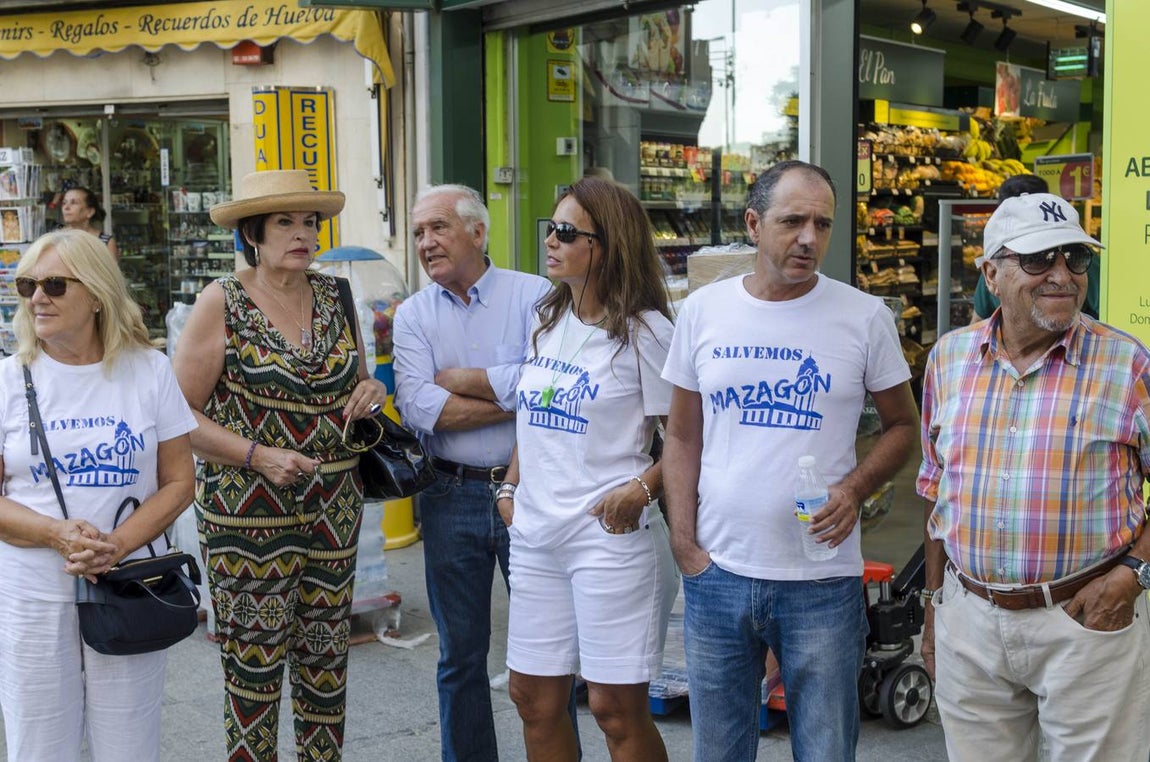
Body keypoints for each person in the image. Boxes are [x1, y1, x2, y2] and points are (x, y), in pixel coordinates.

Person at [661, 160, 919, 762]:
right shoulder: (703, 312)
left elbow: (904, 426)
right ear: (754, 224)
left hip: (822, 582)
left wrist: (853, 489)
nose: (808, 238)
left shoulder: (864, 317)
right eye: (792, 221)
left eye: (822, 224)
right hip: (718, 573)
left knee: (825, 749)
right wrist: (683, 542)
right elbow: (682, 435)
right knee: (718, 750)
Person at [918, 191, 1150, 761]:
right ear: (991, 274)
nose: (1062, 275)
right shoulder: (948, 360)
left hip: (1087, 620)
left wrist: (1133, 575)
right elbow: (936, 489)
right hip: (969, 620)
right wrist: (934, 606)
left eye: (1076, 257)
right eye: (1039, 258)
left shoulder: (1127, 364)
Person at [172, 170, 387, 762]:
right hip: (248, 514)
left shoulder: (337, 295)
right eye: (285, 222)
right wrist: (258, 456)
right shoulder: (223, 300)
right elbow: (178, 414)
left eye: (310, 222)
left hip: (335, 508)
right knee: (254, 667)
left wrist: (370, 389)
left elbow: (356, 379)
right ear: (252, 235)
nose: (303, 234)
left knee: (326, 661)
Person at [0, 229, 196, 760]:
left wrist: (117, 545)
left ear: (97, 295)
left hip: (129, 586)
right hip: (32, 596)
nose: (38, 298)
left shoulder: (148, 370)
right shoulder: (8, 380)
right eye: (28, 285)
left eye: (55, 285)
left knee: (130, 746)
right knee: (39, 748)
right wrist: (55, 534)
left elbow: (180, 480)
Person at [501, 176, 678, 762]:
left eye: (567, 232)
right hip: (534, 535)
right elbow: (534, 415)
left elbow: (689, 437)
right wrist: (509, 486)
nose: (550, 240)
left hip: (609, 537)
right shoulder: (546, 318)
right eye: (550, 228)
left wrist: (642, 488)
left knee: (613, 708)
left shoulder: (646, 332)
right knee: (532, 698)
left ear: (607, 245)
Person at [392, 184, 556, 762]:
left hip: (530, 487)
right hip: (448, 491)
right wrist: (517, 394)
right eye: (418, 232)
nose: (426, 242)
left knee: (548, 655)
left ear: (478, 232)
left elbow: (553, 387)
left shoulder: (535, 295)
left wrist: (462, 381)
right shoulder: (413, 314)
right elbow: (419, 408)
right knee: (459, 656)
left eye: (438, 227)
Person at [970, 173, 1100, 322]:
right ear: (992, 275)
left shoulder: (1085, 264)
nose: (1062, 278)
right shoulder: (999, 264)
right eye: (1034, 259)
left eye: (1075, 257)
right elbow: (978, 321)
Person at [61, 186, 120, 258]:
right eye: (64, 203)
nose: (66, 207)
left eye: (74, 203)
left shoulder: (105, 242)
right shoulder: (55, 239)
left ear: (90, 212)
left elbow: (110, 265)